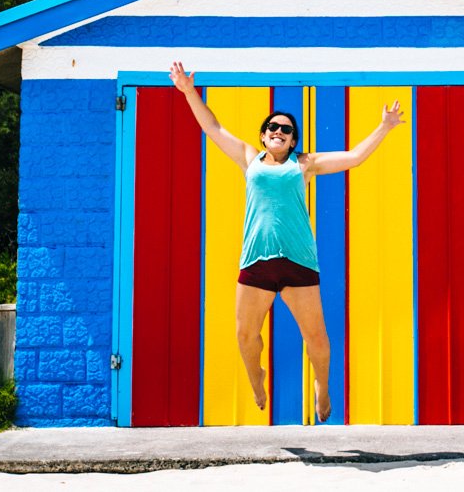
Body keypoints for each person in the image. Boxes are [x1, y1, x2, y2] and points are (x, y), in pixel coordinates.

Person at [169, 62, 404, 423]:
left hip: (298, 262)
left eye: (286, 129)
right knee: (245, 335)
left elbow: (355, 158)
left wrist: (384, 127)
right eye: (272, 127)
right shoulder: (250, 159)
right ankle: (257, 380)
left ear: (293, 140)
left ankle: (322, 390)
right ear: (263, 136)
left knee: (318, 342)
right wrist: (188, 92)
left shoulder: (305, 163)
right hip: (256, 262)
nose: (278, 131)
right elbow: (212, 127)